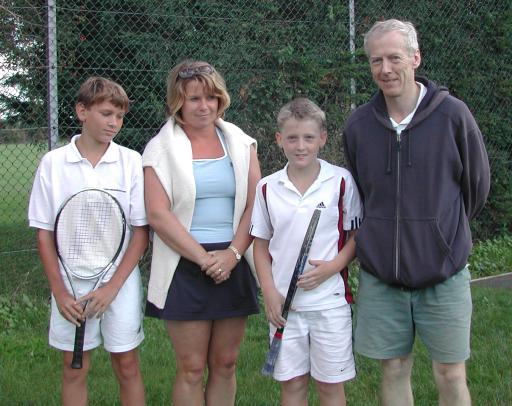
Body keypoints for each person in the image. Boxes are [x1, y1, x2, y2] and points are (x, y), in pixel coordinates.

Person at [343, 19, 490, 406]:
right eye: (376, 60)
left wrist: (440, 233)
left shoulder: (453, 116)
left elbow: (476, 186)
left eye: (394, 57)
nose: (385, 69)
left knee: (450, 373)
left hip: (443, 272)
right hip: (382, 277)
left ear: (415, 57)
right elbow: (361, 190)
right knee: (393, 368)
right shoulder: (359, 125)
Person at [142, 60, 260, 406]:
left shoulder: (240, 142)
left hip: (233, 261)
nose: (204, 106)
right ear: (177, 101)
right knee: (192, 368)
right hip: (184, 263)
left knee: (225, 363)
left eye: (210, 97)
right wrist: (204, 258)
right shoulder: (160, 149)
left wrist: (233, 254)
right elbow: (158, 215)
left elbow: (256, 205)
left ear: (221, 99)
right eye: (194, 98)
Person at [28, 77, 148, 406]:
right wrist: (60, 291)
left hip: (118, 284)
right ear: (82, 111)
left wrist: (111, 288)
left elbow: (140, 233)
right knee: (73, 368)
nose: (114, 123)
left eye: (120, 116)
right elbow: (44, 234)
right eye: (107, 113)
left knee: (127, 365)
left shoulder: (131, 162)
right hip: (70, 284)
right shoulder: (53, 164)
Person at [251, 98, 363, 406]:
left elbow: (355, 236)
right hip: (285, 308)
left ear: (322, 139)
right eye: (292, 138)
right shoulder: (267, 187)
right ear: (279, 140)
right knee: (293, 386)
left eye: (309, 138)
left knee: (330, 387)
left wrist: (333, 266)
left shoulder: (340, 181)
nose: (301, 146)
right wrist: (269, 292)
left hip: (330, 304)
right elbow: (260, 245)